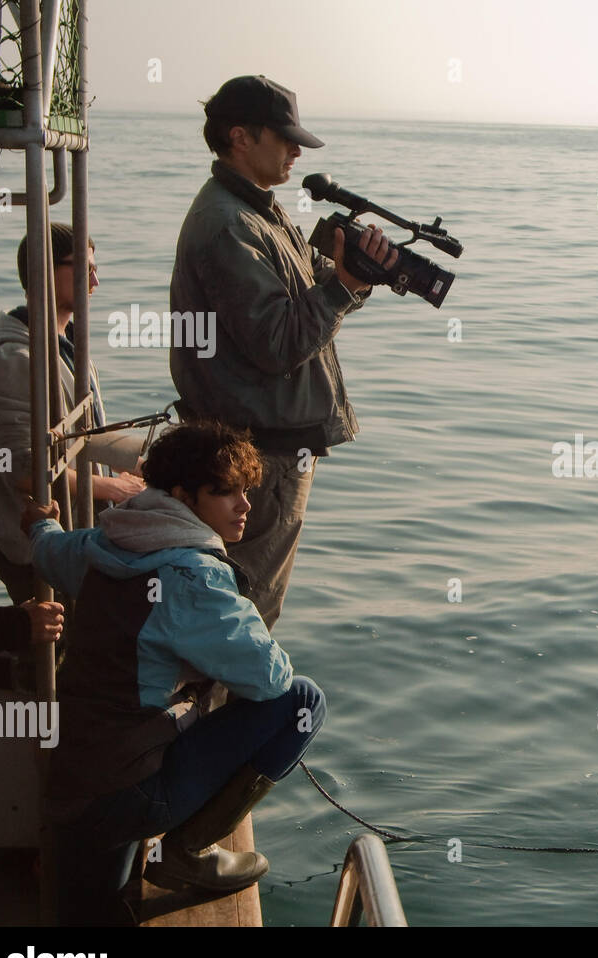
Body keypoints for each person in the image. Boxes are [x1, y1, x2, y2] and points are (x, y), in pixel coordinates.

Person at [23, 420, 326, 926]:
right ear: (184, 496)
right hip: (130, 791)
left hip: (77, 783)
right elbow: (270, 680)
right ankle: (185, 851)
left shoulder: (105, 542)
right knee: (302, 702)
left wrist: (41, 523)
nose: (245, 506)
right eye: (225, 493)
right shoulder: (193, 576)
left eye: (246, 491)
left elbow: (49, 550)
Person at [169, 74, 397, 629]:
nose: (297, 149)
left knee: (236, 611)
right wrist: (343, 287)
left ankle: (221, 708)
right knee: (244, 617)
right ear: (240, 137)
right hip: (260, 459)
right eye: (286, 137)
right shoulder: (229, 224)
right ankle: (224, 713)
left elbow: (310, 293)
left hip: (266, 450)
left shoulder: (258, 210)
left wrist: (355, 276)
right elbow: (278, 344)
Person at [0, 223, 145, 606]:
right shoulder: (11, 360)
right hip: (35, 547)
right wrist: (114, 489)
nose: (95, 280)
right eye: (84, 269)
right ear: (45, 273)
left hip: (74, 535)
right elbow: (22, 471)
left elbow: (79, 437)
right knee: (51, 657)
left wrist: (150, 459)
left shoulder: (65, 346)